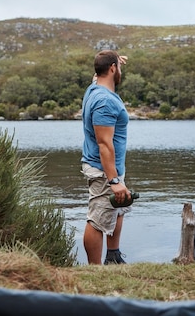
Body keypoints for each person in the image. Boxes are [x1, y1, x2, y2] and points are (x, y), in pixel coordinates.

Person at [80, 50, 132, 265]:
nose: (120, 70)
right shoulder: (104, 101)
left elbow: (98, 76)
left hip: (112, 167)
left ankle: (113, 256)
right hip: (104, 169)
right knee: (98, 219)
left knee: (117, 209)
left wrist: (113, 59)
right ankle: (94, 269)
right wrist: (113, 181)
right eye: (118, 67)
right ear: (112, 69)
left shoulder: (95, 87)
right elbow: (104, 144)